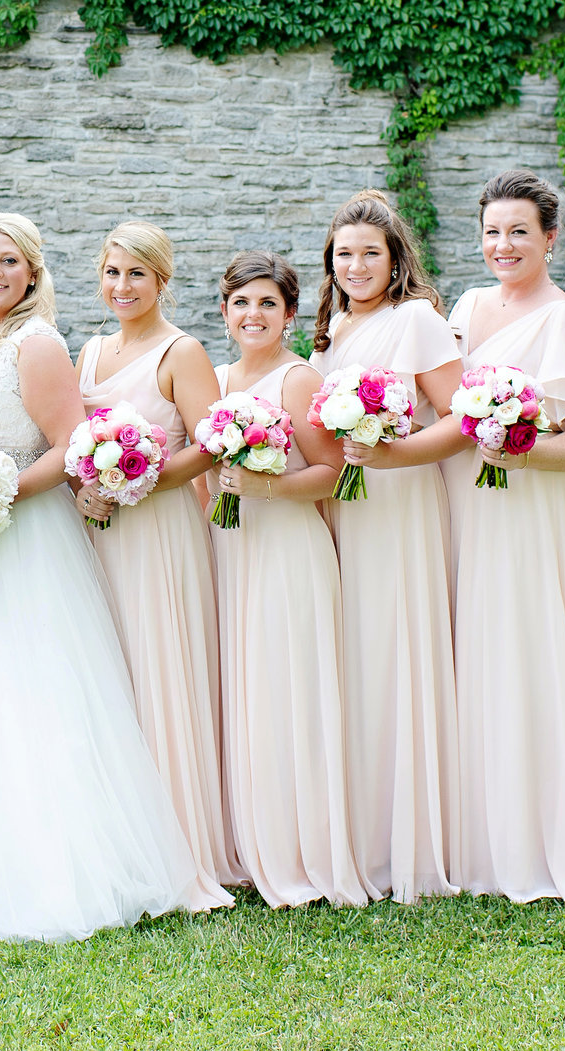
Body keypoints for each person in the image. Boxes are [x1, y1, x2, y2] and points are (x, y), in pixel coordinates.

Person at [0, 212, 229, 943]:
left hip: (19, 538)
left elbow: (70, 443)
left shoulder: (37, 342)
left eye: (9, 262)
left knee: (19, 694)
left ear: (31, 273)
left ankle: (36, 864)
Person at [443, 170, 565, 903]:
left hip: (536, 508)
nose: (503, 244)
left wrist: (523, 452)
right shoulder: (467, 307)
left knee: (535, 655)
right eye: (491, 231)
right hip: (466, 505)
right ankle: (480, 837)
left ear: (550, 237)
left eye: (519, 231)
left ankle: (547, 843)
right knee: (476, 654)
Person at [313, 190, 466, 903]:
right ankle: (363, 828)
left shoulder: (417, 321)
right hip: (351, 509)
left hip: (400, 503)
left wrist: (392, 455)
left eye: (371, 251)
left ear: (395, 256)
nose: (357, 264)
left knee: (400, 652)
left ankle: (413, 841)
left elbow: (464, 419)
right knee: (358, 657)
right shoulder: (333, 331)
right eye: (345, 253)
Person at [75, 221, 235, 889]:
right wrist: (90, 484)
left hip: (161, 528)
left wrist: (136, 478)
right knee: (112, 673)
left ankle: (180, 843)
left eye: (136, 273)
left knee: (162, 670)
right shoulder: (89, 350)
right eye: (113, 272)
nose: (123, 286)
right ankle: (117, 835)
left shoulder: (182, 351)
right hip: (100, 532)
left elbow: (212, 443)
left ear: (162, 279)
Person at [209, 251, 367, 909]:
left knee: (290, 691)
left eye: (268, 304)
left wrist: (263, 484)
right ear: (224, 311)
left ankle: (304, 851)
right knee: (248, 692)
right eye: (242, 303)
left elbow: (332, 474)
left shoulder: (297, 379)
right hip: (234, 548)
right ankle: (254, 839)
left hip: (289, 548)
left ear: (291, 314)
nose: (254, 315)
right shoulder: (215, 379)